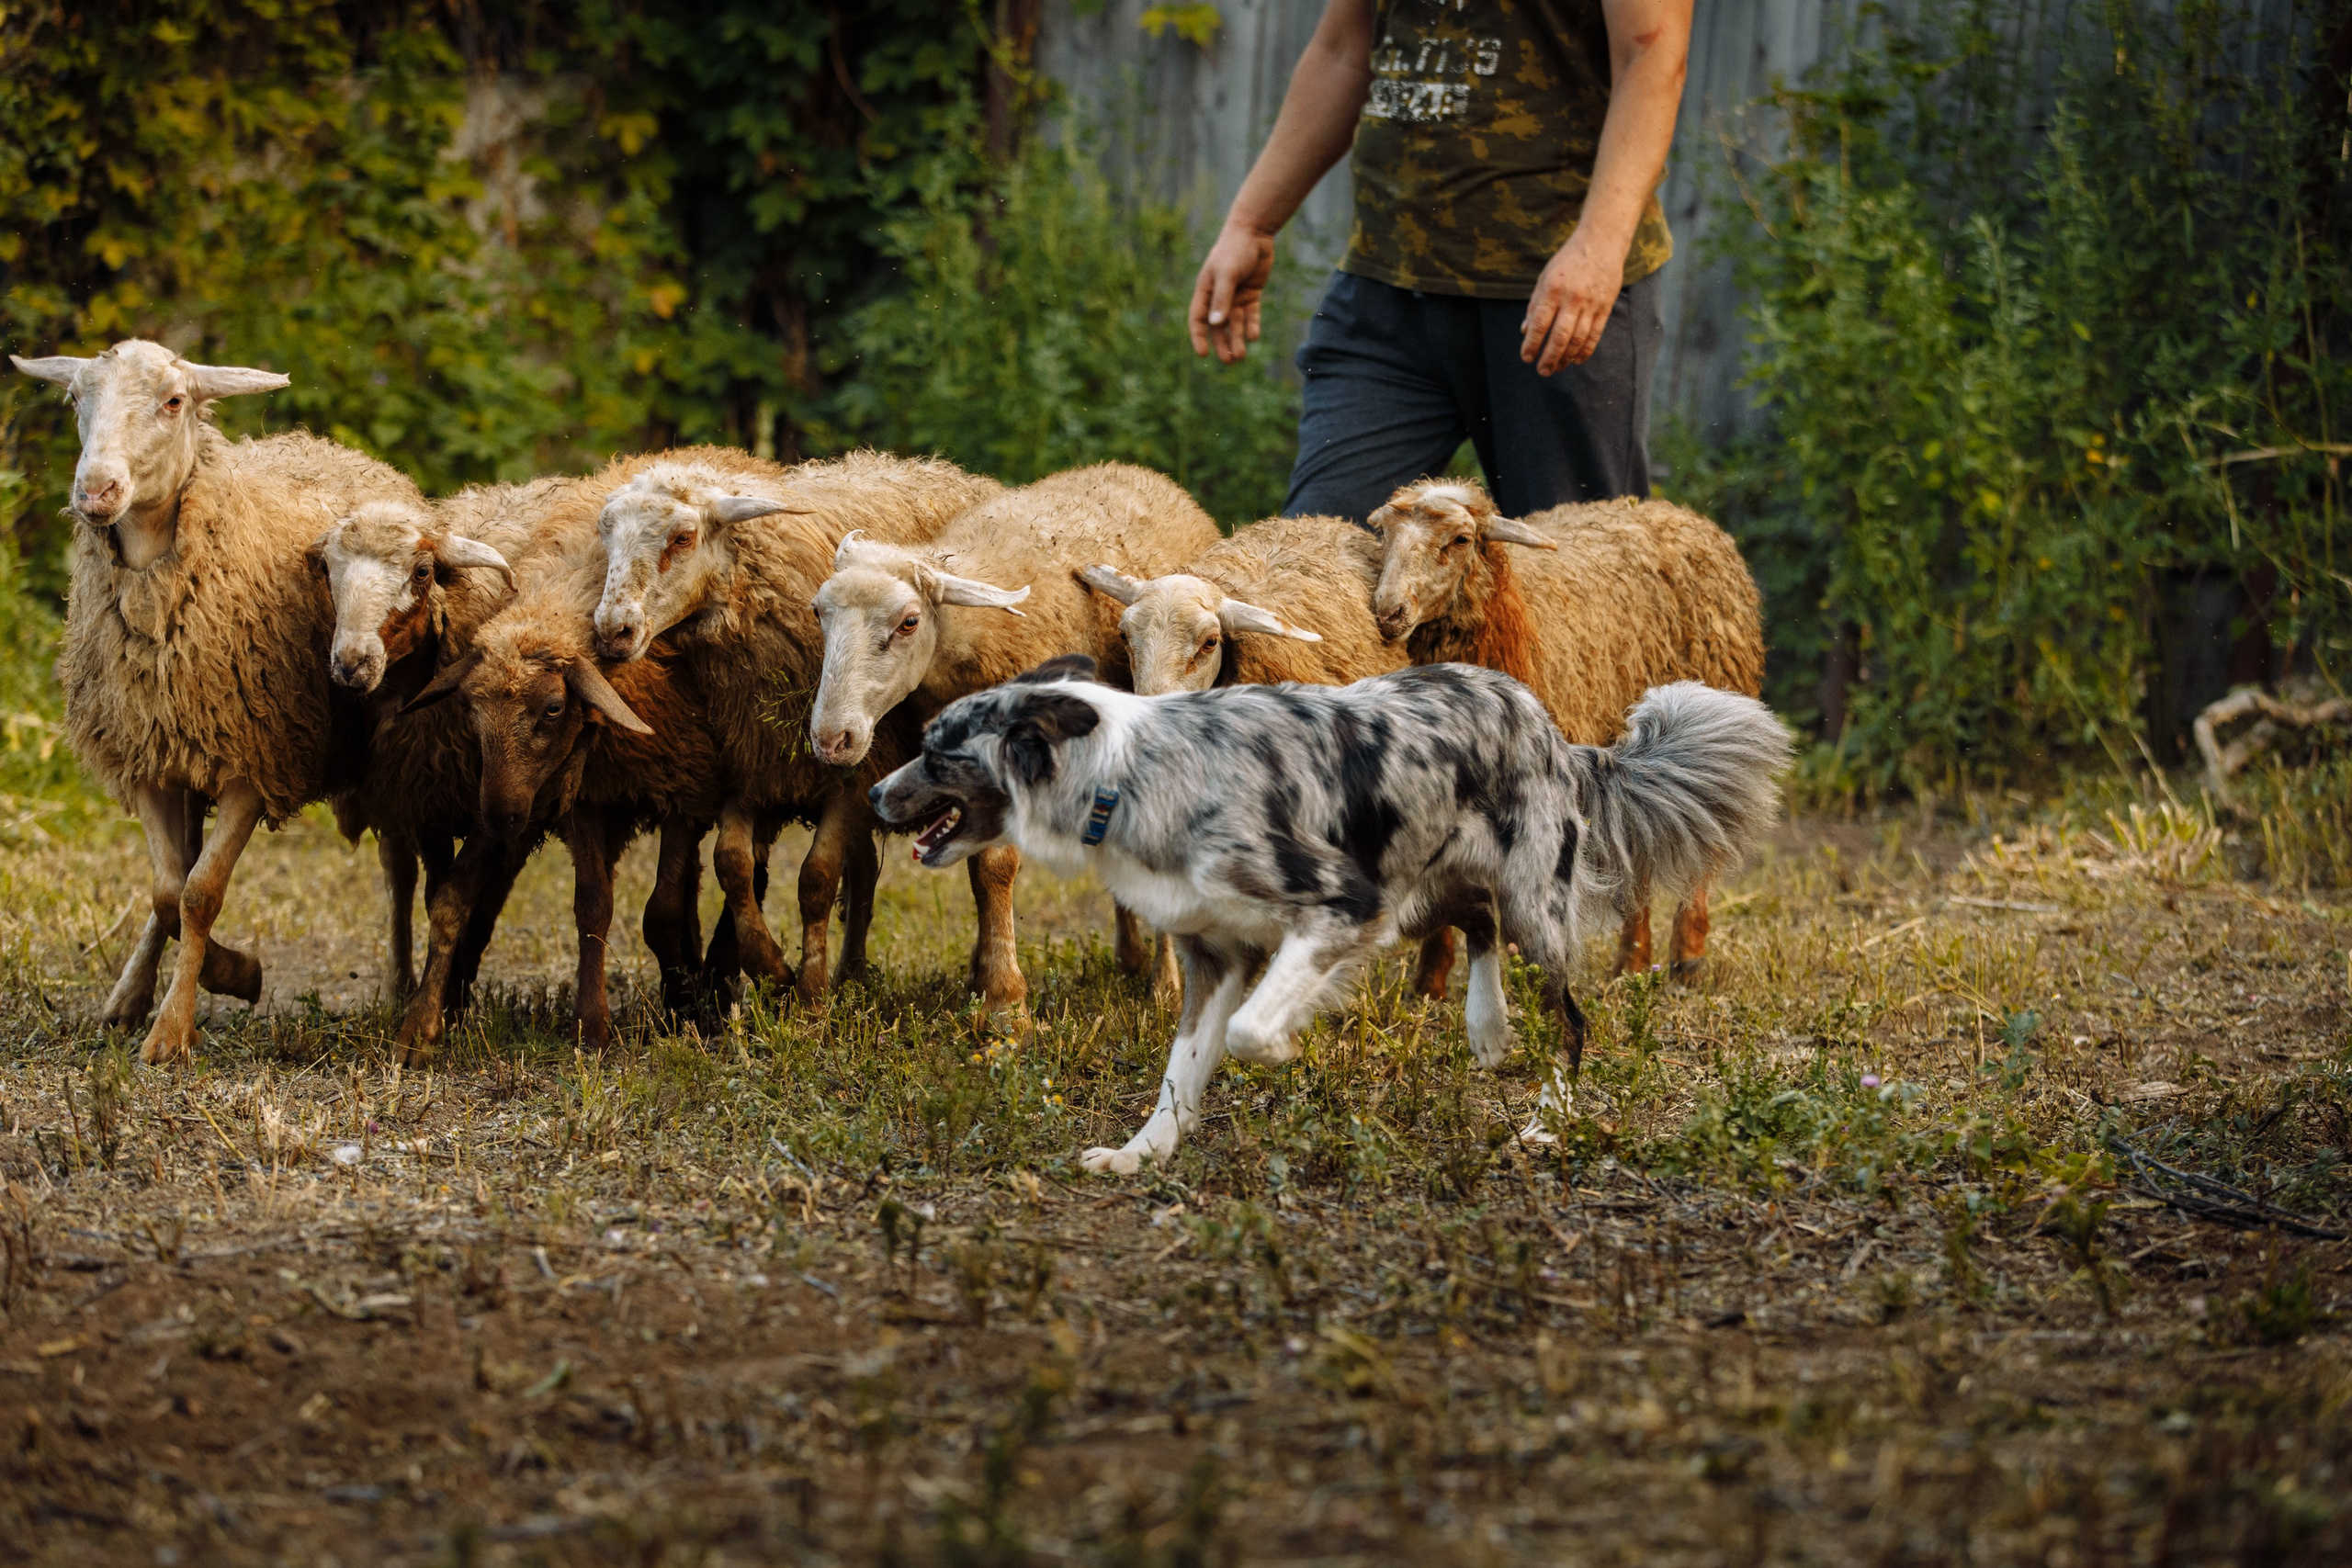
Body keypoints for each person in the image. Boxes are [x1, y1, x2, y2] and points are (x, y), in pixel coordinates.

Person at [1188, 0, 1691, 522]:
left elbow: (1650, 54)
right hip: (1386, 290)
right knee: (1319, 562)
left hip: (1554, 298)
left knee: (1575, 576)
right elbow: (1343, 47)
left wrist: (1599, 245)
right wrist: (1252, 222)